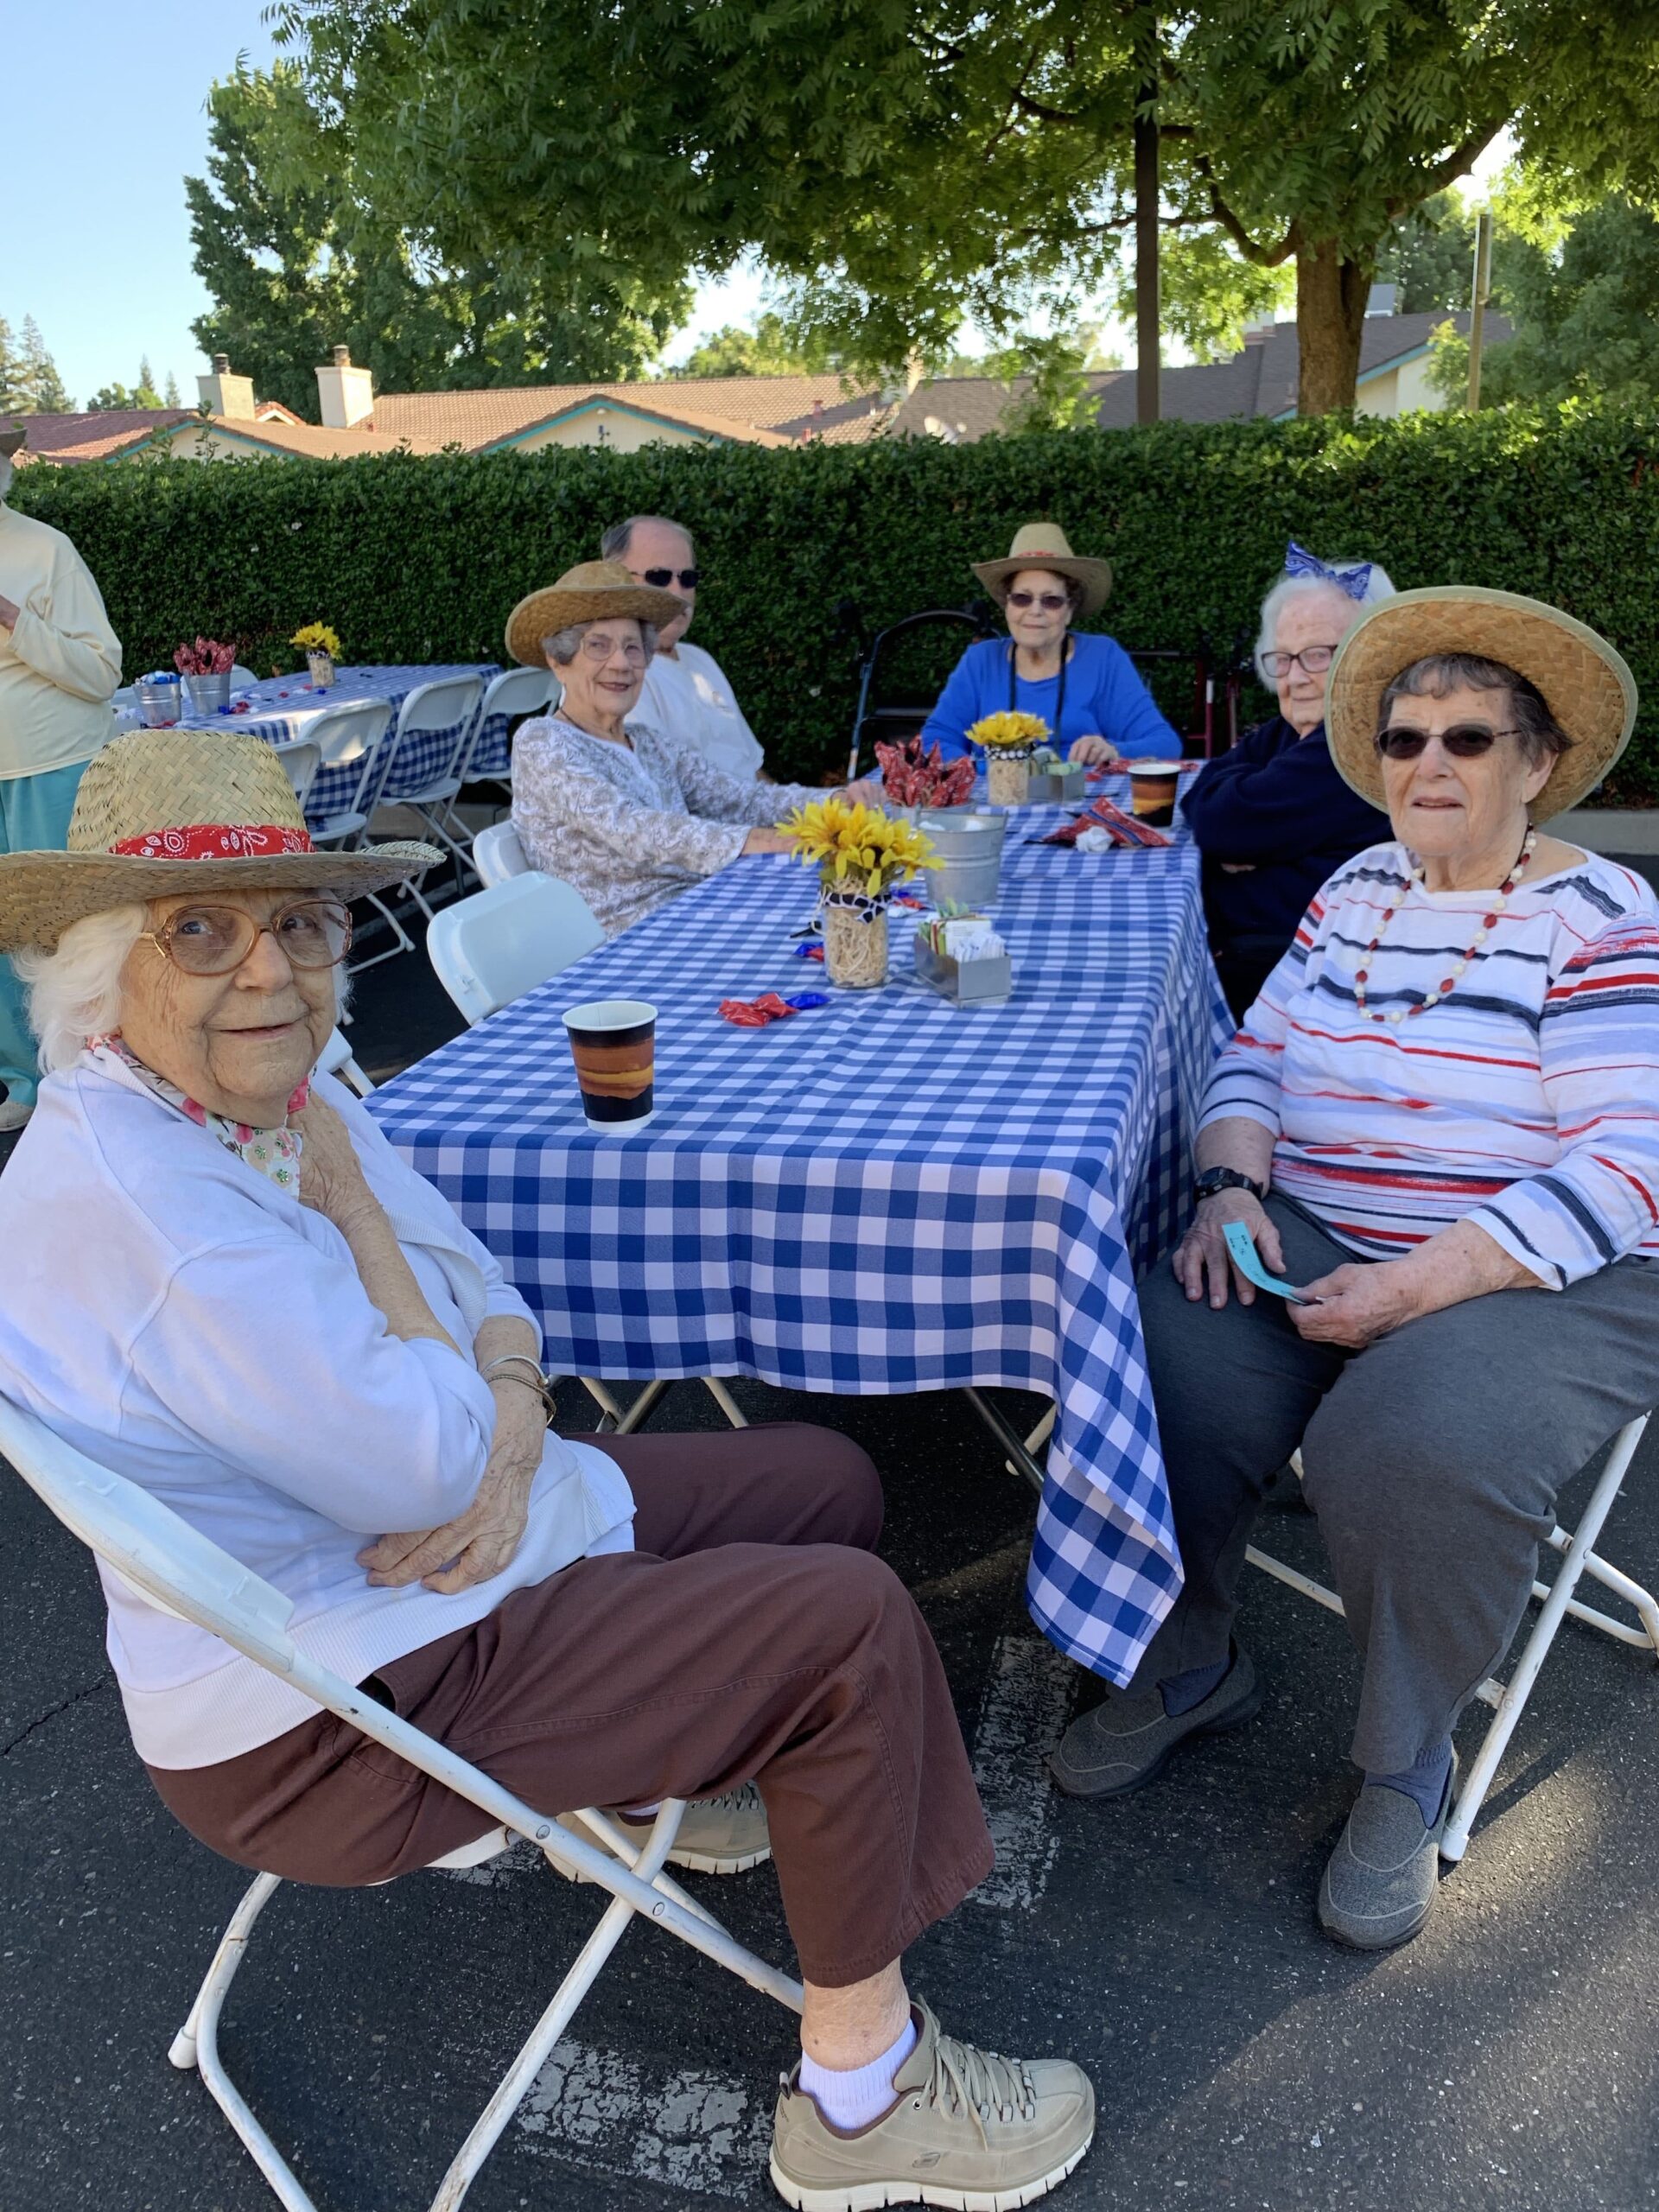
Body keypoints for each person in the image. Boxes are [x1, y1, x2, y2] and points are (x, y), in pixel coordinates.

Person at [0, 724, 1095, 2209]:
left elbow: (473, 1275)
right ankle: (861, 2098)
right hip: (334, 1710)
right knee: (846, 1627)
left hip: (428, 1564)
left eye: (300, 923)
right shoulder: (161, 1211)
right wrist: (393, 1277)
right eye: (200, 930)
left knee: (824, 1480)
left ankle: (650, 1778)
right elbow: (424, 1457)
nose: (270, 972)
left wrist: (508, 1411)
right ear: (96, 971)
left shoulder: (249, 1093)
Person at [1051, 587, 1659, 1953]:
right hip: (1316, 1226)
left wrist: (1420, 1283)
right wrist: (1230, 1188)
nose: (1429, 764)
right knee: (1149, 1351)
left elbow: (1633, 1164)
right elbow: (1253, 1062)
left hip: (1543, 1263)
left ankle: (1405, 1761)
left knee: (1406, 1438)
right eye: (1404, 740)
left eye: (1468, 739)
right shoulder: (1358, 887)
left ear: (1538, 763)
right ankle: (1189, 1661)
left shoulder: (1603, 914)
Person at [508, 563, 880, 938]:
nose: (621, 663)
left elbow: (740, 799)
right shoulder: (542, 741)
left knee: (862, 909)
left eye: (633, 648)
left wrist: (834, 804)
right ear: (559, 662)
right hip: (630, 937)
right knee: (837, 920)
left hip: (701, 904)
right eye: (598, 646)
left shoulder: (648, 742)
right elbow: (630, 827)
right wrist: (759, 840)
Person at [1183, 543, 1394, 1020]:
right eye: (1282, 658)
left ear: (1369, 656)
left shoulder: (1351, 741)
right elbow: (1202, 790)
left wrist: (1234, 834)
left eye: (1317, 655)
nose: (1294, 678)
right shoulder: (1294, 729)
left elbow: (1219, 824)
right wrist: (1239, 826)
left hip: (1306, 979)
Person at [0, 421, 123, 1128]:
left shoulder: (47, 549)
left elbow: (102, 672)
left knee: (65, 930)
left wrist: (12, 619)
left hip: (52, 764)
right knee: (2, 937)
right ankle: (24, 1081)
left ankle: (89, 1077)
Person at [919, 522, 1179, 766]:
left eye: (1051, 601)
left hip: (1080, 795)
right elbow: (937, 738)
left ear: (1069, 610)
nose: (1035, 611)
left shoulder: (1102, 658)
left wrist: (1113, 751)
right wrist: (979, 771)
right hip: (993, 793)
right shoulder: (981, 660)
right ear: (1007, 606)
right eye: (1022, 598)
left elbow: (1166, 744)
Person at [601, 513, 766, 781]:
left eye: (688, 578)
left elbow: (751, 769)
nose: (678, 593)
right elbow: (662, 796)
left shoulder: (700, 660)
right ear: (616, 582)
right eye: (659, 577)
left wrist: (803, 805)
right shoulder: (615, 676)